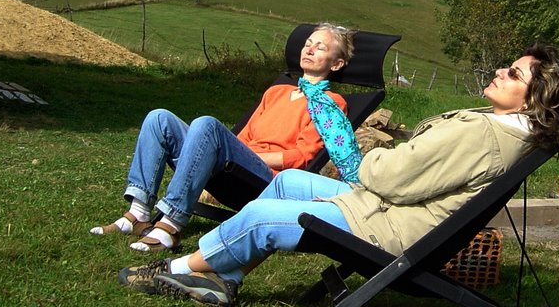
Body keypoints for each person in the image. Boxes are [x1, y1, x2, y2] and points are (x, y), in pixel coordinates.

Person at [117, 44, 559, 307]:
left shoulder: (484, 136)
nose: (498, 72)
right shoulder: (504, 131)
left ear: (533, 97)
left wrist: (369, 161)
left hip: (391, 224)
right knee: (287, 185)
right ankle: (226, 279)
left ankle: (172, 270)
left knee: (263, 218)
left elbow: (392, 177)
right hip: (391, 207)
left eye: (513, 73)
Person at [90, 23, 359, 252]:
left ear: (336, 64)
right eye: (308, 44)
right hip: (236, 165)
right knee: (159, 118)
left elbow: (301, 159)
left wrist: (250, 156)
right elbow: (242, 137)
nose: (309, 49)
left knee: (207, 124)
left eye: (320, 48)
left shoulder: (329, 105)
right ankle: (139, 213)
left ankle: (171, 224)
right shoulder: (275, 93)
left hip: (265, 180)